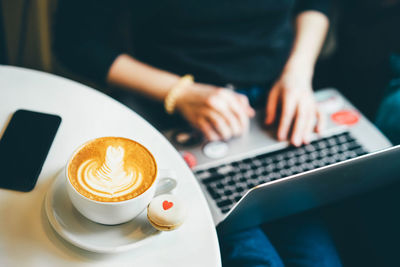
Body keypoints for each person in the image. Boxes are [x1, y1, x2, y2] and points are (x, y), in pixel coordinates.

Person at [54, 0, 342, 266]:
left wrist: (299, 72)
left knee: (319, 259)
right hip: (166, 102)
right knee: (254, 258)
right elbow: (75, 41)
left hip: (277, 97)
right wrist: (178, 92)